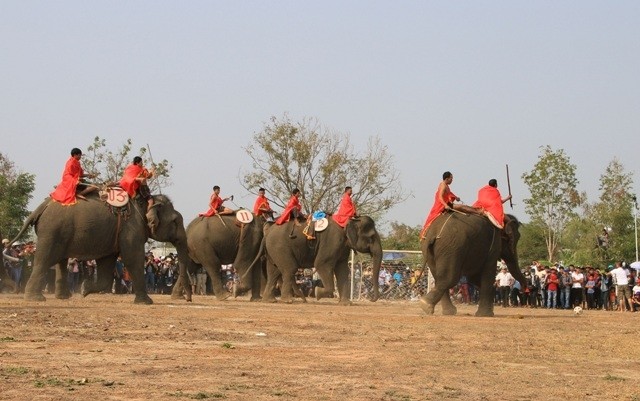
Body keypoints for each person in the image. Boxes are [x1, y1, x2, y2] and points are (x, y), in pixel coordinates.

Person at [420, 172, 459, 238]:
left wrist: (456, 197)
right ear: (447, 179)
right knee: (432, 218)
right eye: (451, 178)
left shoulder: (446, 186)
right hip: (440, 205)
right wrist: (445, 205)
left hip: (445, 203)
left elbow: (449, 193)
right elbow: (440, 197)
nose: (452, 180)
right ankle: (424, 233)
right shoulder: (443, 185)